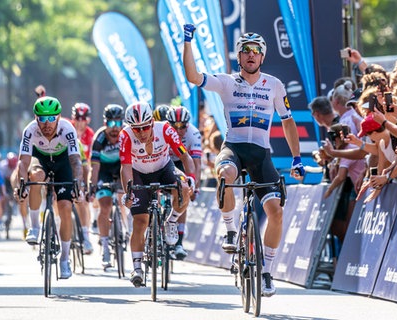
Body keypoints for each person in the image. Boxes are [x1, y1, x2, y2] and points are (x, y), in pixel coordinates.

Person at [183, 25, 305, 297]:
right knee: (225, 172)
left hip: (261, 154)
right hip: (234, 148)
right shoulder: (226, 82)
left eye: (256, 51)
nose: (251, 55)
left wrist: (297, 158)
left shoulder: (274, 85)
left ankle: (266, 273)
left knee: (276, 211)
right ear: (238, 57)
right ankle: (229, 230)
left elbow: (287, 122)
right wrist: (187, 43)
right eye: (246, 51)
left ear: (262, 57)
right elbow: (193, 76)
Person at [120, 101, 195, 287]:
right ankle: (137, 268)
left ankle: (171, 220)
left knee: (184, 187)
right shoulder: (125, 135)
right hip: (138, 174)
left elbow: (185, 155)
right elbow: (126, 167)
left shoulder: (166, 130)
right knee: (140, 221)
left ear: (152, 122)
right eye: (136, 129)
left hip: (164, 168)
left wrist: (191, 177)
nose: (142, 132)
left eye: (145, 127)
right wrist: (128, 191)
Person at [14, 96, 83, 279]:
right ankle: (35, 227)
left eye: (51, 118)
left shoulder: (68, 129)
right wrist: (23, 183)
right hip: (41, 159)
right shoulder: (30, 131)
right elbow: (23, 162)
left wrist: (78, 182)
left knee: (66, 207)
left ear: (59, 117)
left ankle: (64, 259)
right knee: (35, 177)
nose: (47, 123)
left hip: (63, 163)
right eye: (42, 119)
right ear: (36, 118)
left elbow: (76, 161)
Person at [89, 104, 124, 269]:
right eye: (111, 124)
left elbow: (131, 163)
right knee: (105, 206)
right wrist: (93, 185)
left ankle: (128, 228)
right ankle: (104, 248)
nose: (115, 128)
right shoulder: (99, 139)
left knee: (129, 198)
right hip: (103, 171)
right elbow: (94, 167)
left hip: (122, 168)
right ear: (105, 123)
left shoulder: (125, 136)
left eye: (118, 123)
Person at [166, 106, 202, 260]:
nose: (179, 130)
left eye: (183, 126)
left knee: (183, 194)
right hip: (165, 161)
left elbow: (197, 164)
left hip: (182, 162)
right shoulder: (163, 131)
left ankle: (179, 242)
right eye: (175, 126)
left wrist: (195, 187)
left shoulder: (193, 133)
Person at [70, 102, 95, 254]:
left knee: (84, 200)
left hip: (84, 166)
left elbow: (90, 162)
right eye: (77, 118)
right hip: (69, 165)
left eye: (83, 119)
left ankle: (86, 237)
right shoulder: (67, 127)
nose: (80, 122)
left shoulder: (91, 135)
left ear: (88, 120)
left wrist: (87, 183)